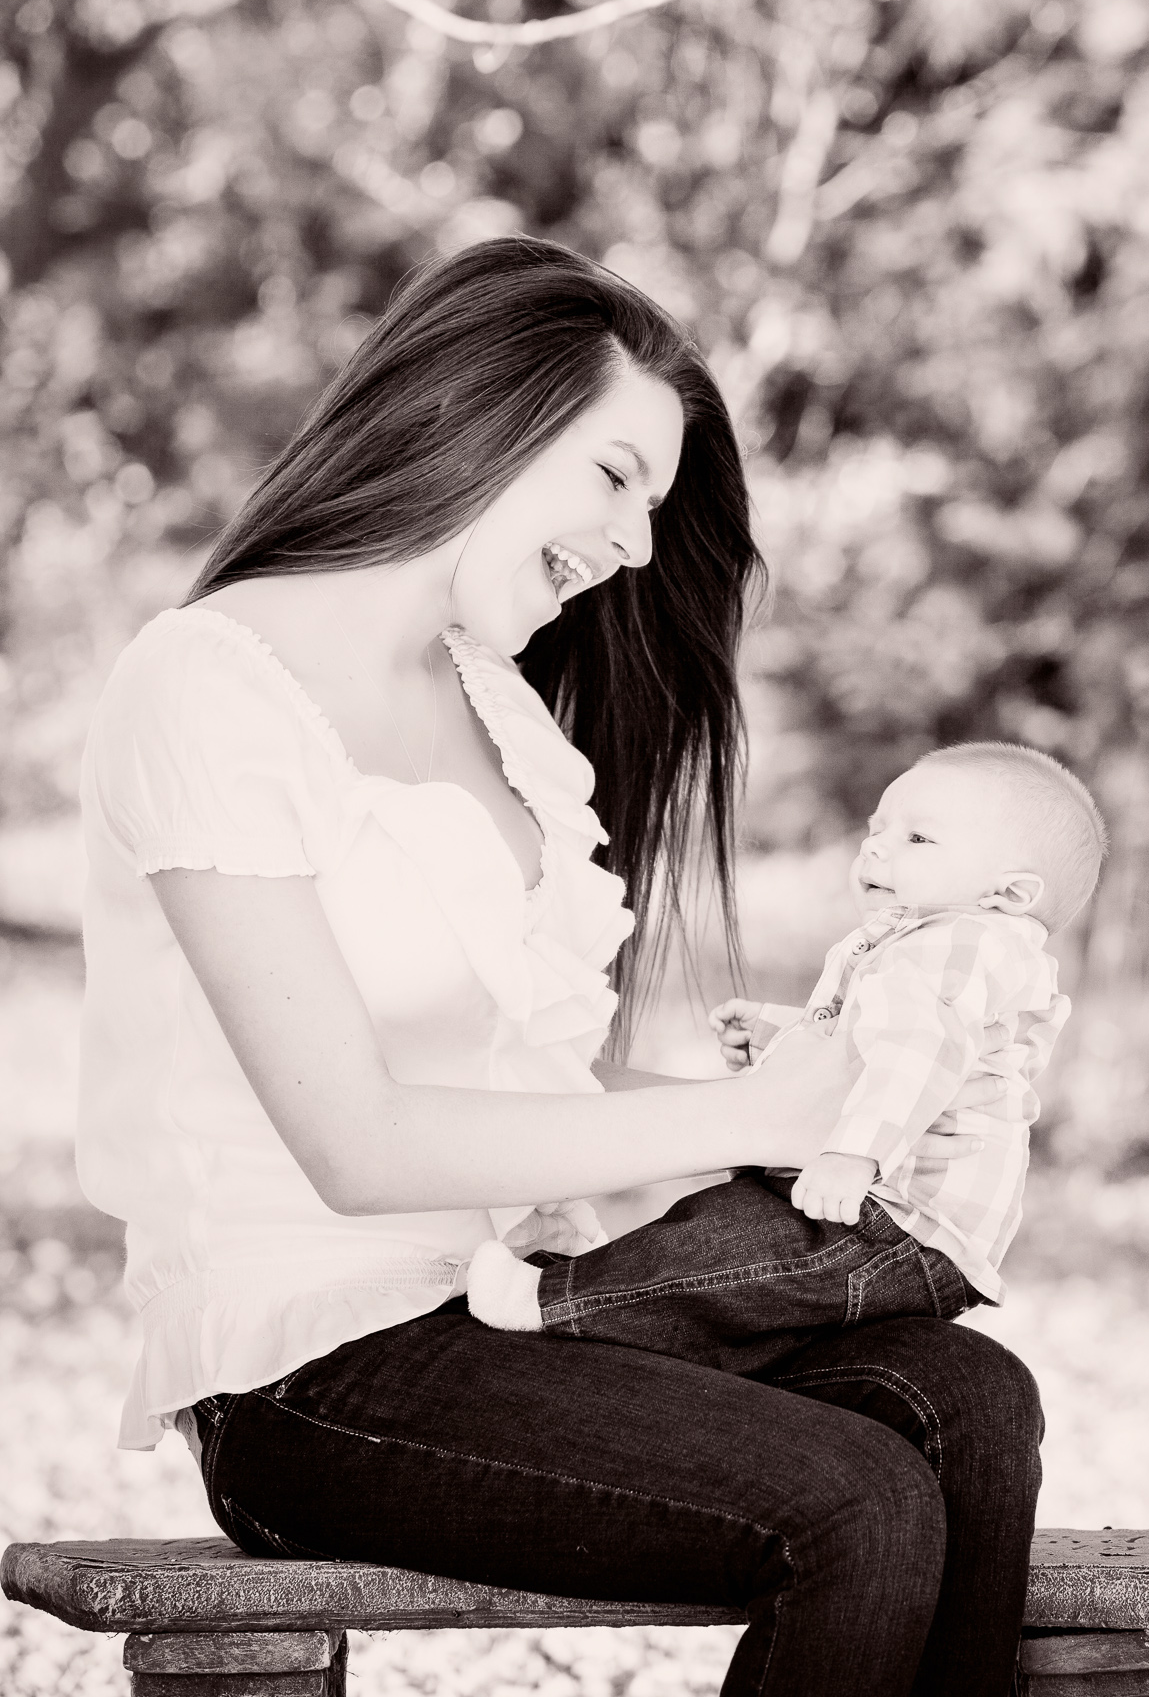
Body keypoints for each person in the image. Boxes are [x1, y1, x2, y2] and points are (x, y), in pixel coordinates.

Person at [77, 236, 1045, 1697]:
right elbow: (355, 1142)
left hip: (510, 1303)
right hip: (310, 1372)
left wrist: (794, 1082)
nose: (639, 546)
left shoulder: (504, 715)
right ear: (480, 410)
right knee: (854, 1500)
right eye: (614, 478)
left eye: (654, 504)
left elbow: (535, 1080)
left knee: (962, 1392)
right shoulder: (207, 686)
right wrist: (737, 1125)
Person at [466, 742, 1105, 1364]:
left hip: (897, 1220)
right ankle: (603, 1314)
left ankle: (550, 1300)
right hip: (888, 1221)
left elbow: (921, 1053)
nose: (876, 847)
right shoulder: (936, 942)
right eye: (877, 829)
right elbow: (869, 1039)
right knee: (735, 1257)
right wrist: (776, 1034)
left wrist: (853, 1155)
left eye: (919, 839)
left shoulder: (961, 941)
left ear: (1011, 893)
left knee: (729, 1241)